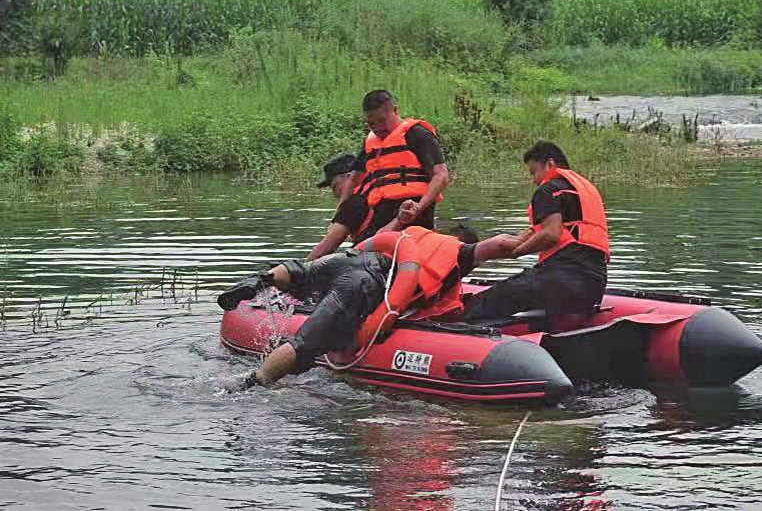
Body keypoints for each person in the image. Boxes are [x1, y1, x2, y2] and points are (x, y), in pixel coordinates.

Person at [217, 225, 507, 389]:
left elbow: (378, 239)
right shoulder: (459, 255)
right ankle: (252, 384)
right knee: (304, 344)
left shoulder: (417, 235)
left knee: (302, 273)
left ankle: (263, 279)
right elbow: (433, 312)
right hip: (363, 283)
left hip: (349, 260)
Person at [462, 140, 610, 322]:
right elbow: (543, 230)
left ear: (550, 164)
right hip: (594, 285)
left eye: (534, 172)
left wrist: (517, 252)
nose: (534, 180)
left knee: (481, 305)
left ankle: (463, 339)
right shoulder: (581, 190)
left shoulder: (549, 189)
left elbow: (551, 234)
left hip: (560, 280)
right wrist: (514, 241)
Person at [341, 90, 450, 235]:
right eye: (372, 123)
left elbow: (441, 176)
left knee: (370, 245)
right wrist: (340, 213)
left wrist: (418, 207)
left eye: (382, 120)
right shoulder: (371, 142)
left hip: (415, 217)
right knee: (354, 248)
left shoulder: (417, 134)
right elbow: (354, 179)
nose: (378, 127)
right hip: (381, 217)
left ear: (395, 110)